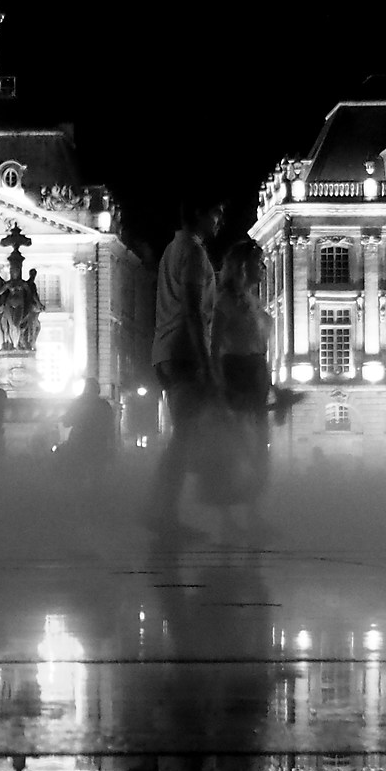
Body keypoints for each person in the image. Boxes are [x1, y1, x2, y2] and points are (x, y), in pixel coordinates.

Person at [143, 203, 218, 535]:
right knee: (184, 438)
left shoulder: (172, 249)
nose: (219, 220)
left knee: (184, 436)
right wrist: (205, 359)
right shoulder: (193, 251)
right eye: (215, 213)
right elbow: (192, 308)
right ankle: (161, 514)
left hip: (166, 350)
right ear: (198, 214)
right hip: (184, 351)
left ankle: (161, 511)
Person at [208, 226, 273, 503]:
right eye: (258, 263)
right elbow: (214, 345)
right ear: (243, 267)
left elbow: (261, 346)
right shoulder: (226, 301)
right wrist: (219, 383)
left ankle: (249, 509)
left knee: (260, 448)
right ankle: (233, 512)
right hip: (237, 371)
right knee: (240, 446)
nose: (263, 268)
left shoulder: (254, 301)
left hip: (256, 371)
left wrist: (271, 384)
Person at [59, 377, 117, 471]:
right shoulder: (104, 405)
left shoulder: (78, 403)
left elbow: (67, 422)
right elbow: (110, 427)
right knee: (97, 473)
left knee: (77, 473)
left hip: (78, 444)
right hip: (98, 446)